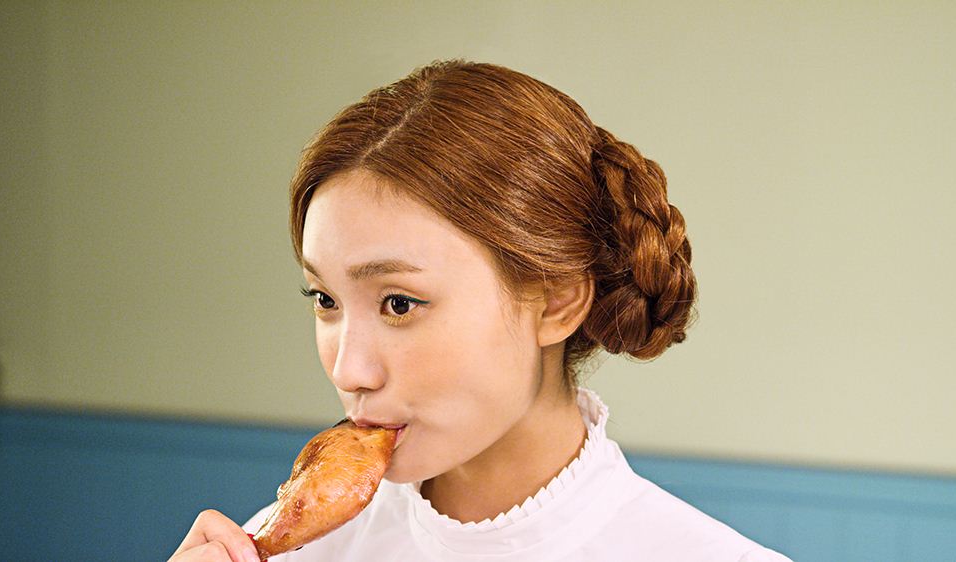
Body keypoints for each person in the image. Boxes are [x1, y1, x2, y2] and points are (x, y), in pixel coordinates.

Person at [169, 59, 792, 561]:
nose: (348, 370)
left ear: (557, 300)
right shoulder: (278, 551)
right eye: (325, 300)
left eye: (398, 303)